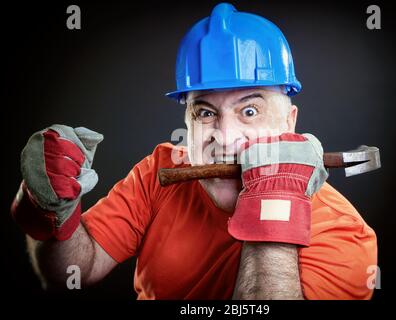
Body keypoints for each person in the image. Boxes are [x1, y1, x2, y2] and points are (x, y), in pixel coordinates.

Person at [11, 3, 377, 299]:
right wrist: (50, 207)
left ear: (290, 123)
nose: (226, 136)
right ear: (186, 120)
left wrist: (274, 205)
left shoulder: (342, 230)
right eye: (205, 112)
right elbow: (74, 272)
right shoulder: (159, 172)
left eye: (250, 111)